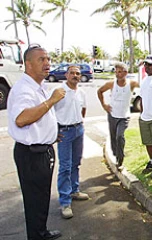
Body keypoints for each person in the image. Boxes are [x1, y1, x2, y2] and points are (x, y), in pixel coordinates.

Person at [7, 44, 64, 239]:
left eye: (48, 59)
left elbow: (38, 119)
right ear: (28, 64)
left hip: (42, 149)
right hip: (32, 154)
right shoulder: (24, 89)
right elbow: (22, 119)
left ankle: (41, 232)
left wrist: (50, 133)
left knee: (41, 198)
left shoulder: (38, 86)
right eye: (42, 59)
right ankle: (36, 236)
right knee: (34, 200)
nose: (47, 63)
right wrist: (52, 100)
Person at [53, 65, 89, 219]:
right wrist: (55, 131)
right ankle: (65, 202)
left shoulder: (81, 92)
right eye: (72, 73)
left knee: (76, 163)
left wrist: (78, 123)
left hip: (78, 130)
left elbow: (83, 109)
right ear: (66, 75)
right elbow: (49, 112)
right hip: (64, 132)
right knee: (65, 167)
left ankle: (74, 191)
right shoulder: (59, 92)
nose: (75, 75)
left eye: (78, 73)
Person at [97, 62, 139, 169]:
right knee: (113, 138)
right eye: (116, 72)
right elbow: (100, 91)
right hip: (112, 115)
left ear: (125, 73)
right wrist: (104, 105)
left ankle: (120, 160)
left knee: (120, 136)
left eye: (120, 72)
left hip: (124, 117)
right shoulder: (111, 84)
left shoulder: (132, 84)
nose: (117, 74)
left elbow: (143, 85)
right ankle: (116, 155)